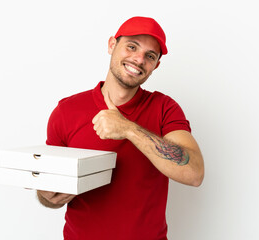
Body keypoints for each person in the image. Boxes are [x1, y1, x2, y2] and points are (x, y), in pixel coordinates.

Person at [37, 16, 204, 240]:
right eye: (132, 47)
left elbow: (194, 173)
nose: (138, 59)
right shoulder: (67, 111)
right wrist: (48, 196)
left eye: (150, 56)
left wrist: (128, 129)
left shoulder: (165, 108)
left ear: (156, 65)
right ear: (112, 45)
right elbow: (46, 189)